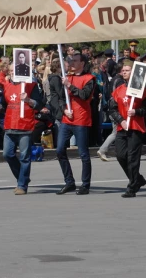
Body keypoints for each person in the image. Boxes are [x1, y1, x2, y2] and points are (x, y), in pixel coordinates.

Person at [0, 64, 46, 195]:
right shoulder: (7, 86)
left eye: (14, 71)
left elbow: (39, 104)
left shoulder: (31, 86)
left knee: (25, 157)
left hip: (25, 126)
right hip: (10, 125)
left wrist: (28, 99)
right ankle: (23, 177)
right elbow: (2, 106)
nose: (12, 73)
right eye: (10, 70)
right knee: (7, 154)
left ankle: (22, 185)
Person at [108, 61, 146, 197]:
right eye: (123, 70)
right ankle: (138, 179)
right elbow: (112, 109)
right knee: (120, 155)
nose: (124, 72)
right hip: (122, 126)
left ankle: (132, 186)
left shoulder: (143, 91)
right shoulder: (118, 90)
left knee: (132, 158)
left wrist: (137, 111)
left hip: (136, 126)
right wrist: (121, 120)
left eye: (127, 70)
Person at [56, 53, 95, 195]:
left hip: (81, 119)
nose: (71, 63)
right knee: (60, 150)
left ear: (82, 63)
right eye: (71, 60)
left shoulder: (89, 78)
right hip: (67, 119)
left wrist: (69, 86)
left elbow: (84, 95)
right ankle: (69, 181)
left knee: (83, 153)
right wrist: (64, 109)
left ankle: (85, 184)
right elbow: (60, 98)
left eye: (75, 61)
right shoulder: (68, 78)